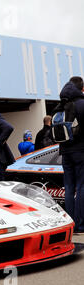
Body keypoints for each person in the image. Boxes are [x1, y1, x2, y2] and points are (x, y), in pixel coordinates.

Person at [57, 76, 84, 233]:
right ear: (81, 88)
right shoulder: (81, 104)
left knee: (68, 187)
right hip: (81, 151)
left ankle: (71, 224)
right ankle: (80, 224)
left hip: (65, 152)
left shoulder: (61, 104)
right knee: (81, 186)